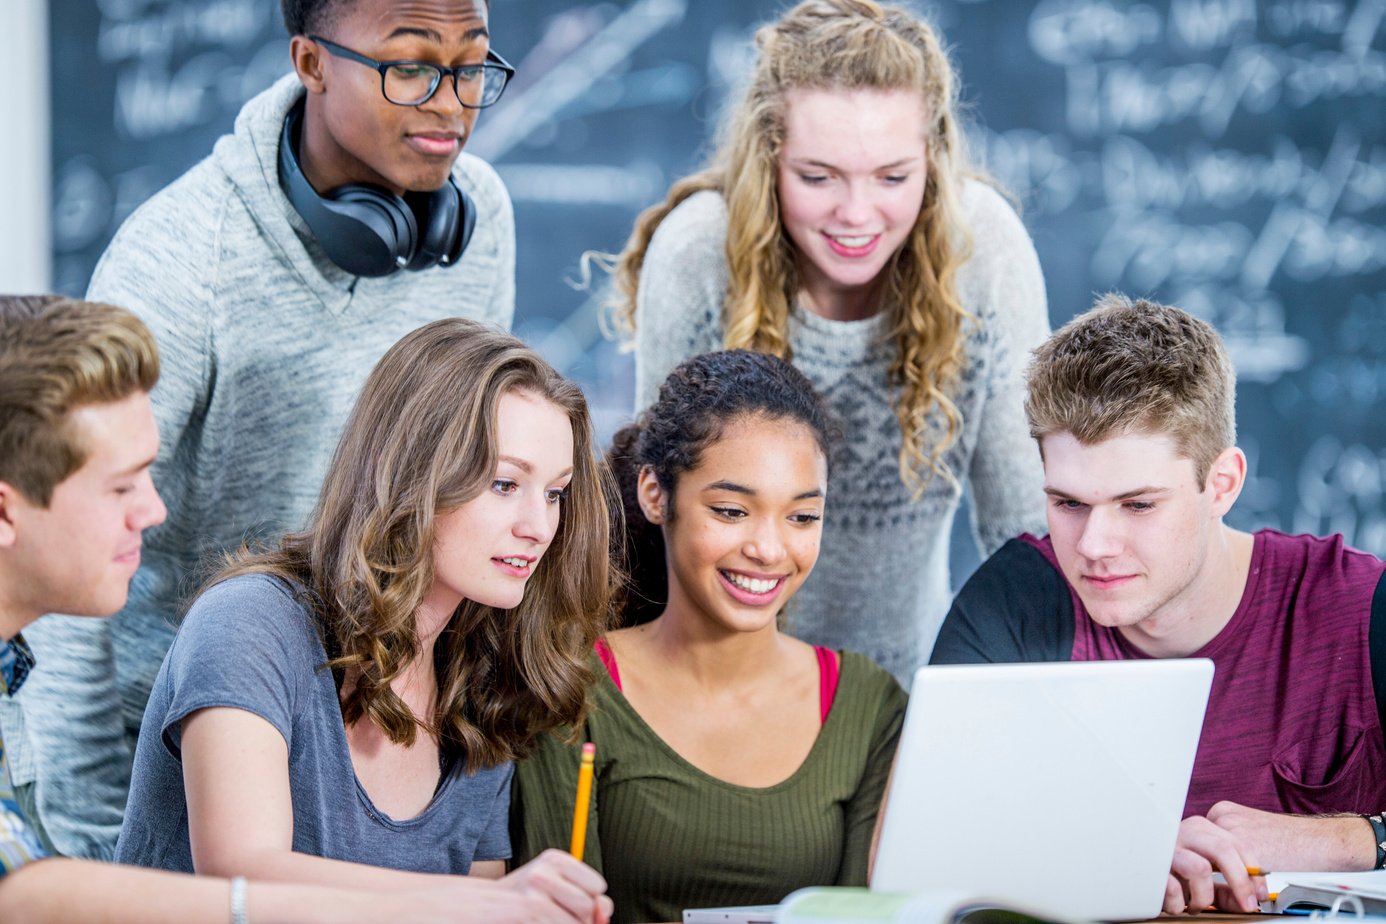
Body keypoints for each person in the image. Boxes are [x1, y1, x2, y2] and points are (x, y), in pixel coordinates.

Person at [12, 0, 520, 860]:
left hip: (392, 742)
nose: (451, 102)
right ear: (310, 62)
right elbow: (63, 560)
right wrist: (95, 839)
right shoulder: (179, 260)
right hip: (197, 753)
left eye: (472, 66)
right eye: (410, 66)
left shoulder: (478, 216)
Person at [0, 296, 601, 923]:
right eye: (504, 484)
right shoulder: (253, 622)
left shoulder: (483, 671)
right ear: (409, 476)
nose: (541, 526)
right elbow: (243, 871)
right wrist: (486, 903)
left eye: (556, 493)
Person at [608, 0, 1049, 679]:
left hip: (903, 695)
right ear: (769, 155)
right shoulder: (697, 252)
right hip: (720, 688)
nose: (856, 214)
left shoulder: (983, 249)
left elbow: (1026, 533)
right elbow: (656, 526)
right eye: (818, 177)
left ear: (933, 159)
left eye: (893, 177)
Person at [930, 294, 1386, 914]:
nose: (1094, 545)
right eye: (1068, 503)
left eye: (1138, 505)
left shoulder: (1361, 607)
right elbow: (914, 856)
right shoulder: (1016, 598)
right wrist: (1116, 849)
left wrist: (1345, 839)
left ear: (1221, 484)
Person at [511, 350, 908, 924]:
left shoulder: (869, 706)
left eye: (801, 517)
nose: (769, 550)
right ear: (656, 494)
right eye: (730, 510)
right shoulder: (570, 691)